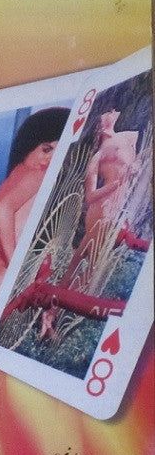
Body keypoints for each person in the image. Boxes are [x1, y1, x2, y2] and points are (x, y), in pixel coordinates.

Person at [39, 109, 142, 338]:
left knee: (82, 269)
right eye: (105, 114)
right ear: (99, 126)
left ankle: (51, 313)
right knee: (84, 269)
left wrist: (132, 172)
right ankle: (52, 313)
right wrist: (115, 185)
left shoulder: (129, 137)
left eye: (112, 112)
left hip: (115, 214)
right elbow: (89, 197)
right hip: (101, 214)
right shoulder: (97, 157)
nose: (110, 113)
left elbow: (137, 168)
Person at [0, 107, 70, 328]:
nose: (50, 159)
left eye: (59, 152)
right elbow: (2, 211)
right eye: (46, 149)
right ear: (28, 146)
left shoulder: (11, 179)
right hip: (5, 282)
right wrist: (18, 269)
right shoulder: (37, 176)